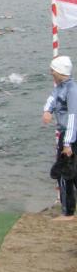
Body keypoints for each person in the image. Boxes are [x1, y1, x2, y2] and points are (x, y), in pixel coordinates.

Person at [42, 55, 77, 221]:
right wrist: (47, 110)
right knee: (73, 173)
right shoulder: (61, 87)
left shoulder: (72, 90)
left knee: (64, 174)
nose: (51, 73)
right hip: (68, 135)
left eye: (53, 70)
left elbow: (73, 117)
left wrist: (68, 143)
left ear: (60, 72)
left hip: (71, 136)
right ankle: (69, 210)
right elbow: (52, 98)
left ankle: (67, 213)